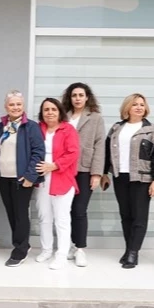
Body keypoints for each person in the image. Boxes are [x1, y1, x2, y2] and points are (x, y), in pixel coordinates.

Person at [102, 94, 154, 269]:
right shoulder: (116, 128)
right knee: (126, 216)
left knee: (139, 217)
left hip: (142, 178)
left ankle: (133, 253)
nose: (139, 107)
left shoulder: (152, 130)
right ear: (127, 108)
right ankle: (129, 248)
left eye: (142, 105)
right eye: (135, 104)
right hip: (120, 177)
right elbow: (106, 152)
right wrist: (104, 173)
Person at [0, 90, 44, 267]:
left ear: (23, 106)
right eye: (12, 104)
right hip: (4, 178)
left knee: (21, 214)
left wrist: (30, 176)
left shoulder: (31, 127)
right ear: (6, 107)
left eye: (18, 104)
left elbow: (38, 152)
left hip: (22, 178)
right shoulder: (2, 126)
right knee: (11, 213)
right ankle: (22, 244)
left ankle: (20, 250)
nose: (15, 107)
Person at [60, 82, 105, 267]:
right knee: (65, 210)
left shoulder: (95, 118)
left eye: (81, 95)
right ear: (69, 98)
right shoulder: (63, 116)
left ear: (87, 97)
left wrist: (97, 173)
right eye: (74, 95)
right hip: (64, 169)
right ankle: (69, 245)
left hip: (84, 169)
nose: (77, 98)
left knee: (79, 210)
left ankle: (80, 248)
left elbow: (100, 145)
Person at [34, 97, 81, 270]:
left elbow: (73, 153)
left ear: (60, 111)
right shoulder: (38, 128)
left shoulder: (68, 129)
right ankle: (46, 250)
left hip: (62, 178)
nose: (50, 112)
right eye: (46, 109)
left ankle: (61, 254)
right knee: (44, 216)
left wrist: (54, 165)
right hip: (42, 180)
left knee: (61, 219)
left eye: (53, 109)